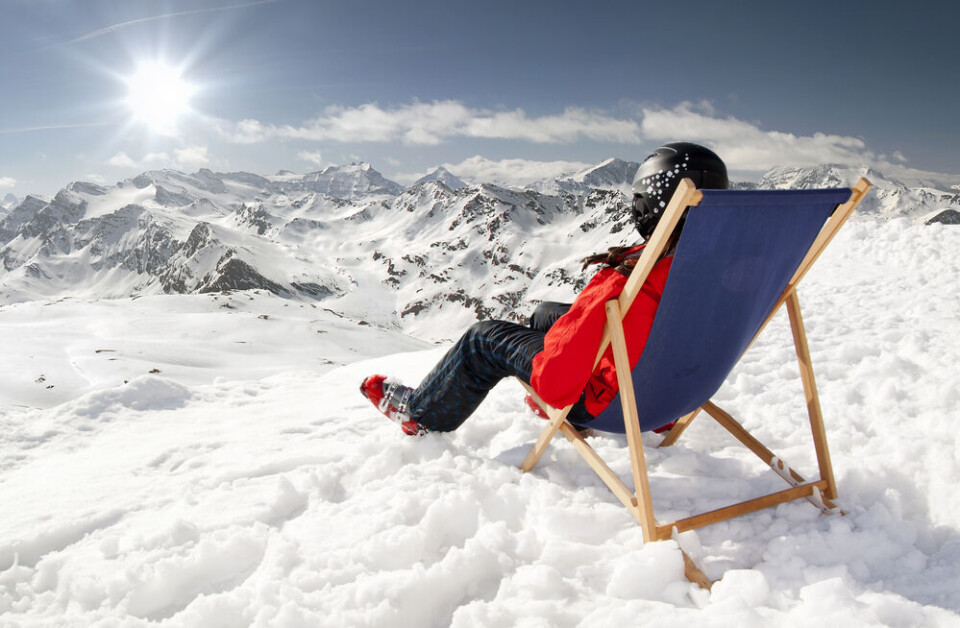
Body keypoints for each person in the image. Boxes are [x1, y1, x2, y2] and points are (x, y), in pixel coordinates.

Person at [360, 142, 729, 436]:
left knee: (483, 338)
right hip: (671, 396)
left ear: (650, 203)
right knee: (545, 314)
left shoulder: (629, 276)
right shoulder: (721, 269)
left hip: (617, 404)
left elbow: (555, 380)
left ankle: (422, 415)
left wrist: (543, 378)